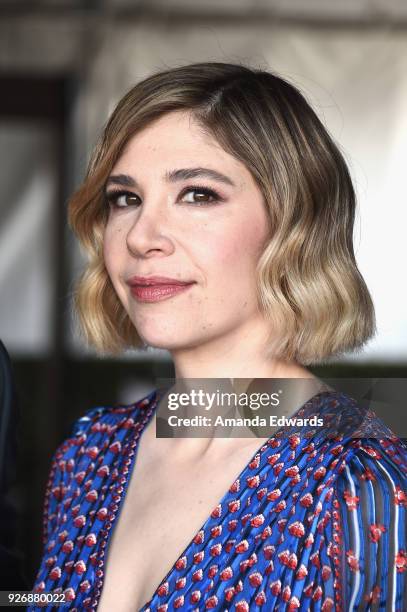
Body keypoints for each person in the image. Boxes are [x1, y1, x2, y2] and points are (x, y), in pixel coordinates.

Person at [28, 62, 406, 611]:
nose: (141, 237)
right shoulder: (89, 455)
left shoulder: (361, 487)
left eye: (197, 195)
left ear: (294, 225)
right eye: (125, 199)